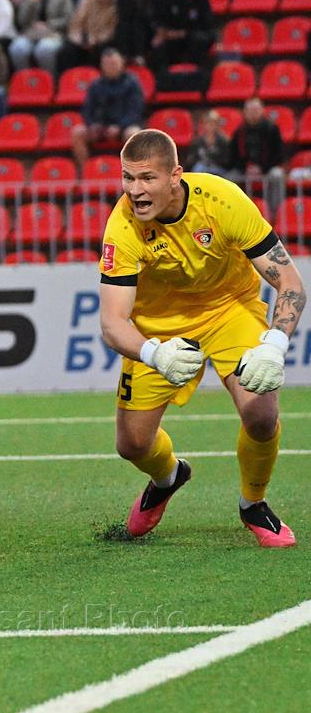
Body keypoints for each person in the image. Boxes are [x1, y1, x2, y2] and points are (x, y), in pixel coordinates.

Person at [98, 129, 304, 548]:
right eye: (128, 178)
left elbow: (290, 282)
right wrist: (154, 353)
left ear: (175, 175)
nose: (135, 191)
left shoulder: (223, 201)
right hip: (159, 327)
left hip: (230, 309)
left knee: (262, 414)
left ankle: (253, 503)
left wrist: (275, 345)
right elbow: (112, 323)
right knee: (132, 445)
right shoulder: (122, 225)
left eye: (147, 178)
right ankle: (168, 477)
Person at [71, 48, 143, 168]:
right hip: (100, 127)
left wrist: (120, 127)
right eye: (107, 64)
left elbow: (135, 110)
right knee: (77, 132)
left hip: (124, 126)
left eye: (114, 63)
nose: (110, 67)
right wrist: (92, 124)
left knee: (134, 134)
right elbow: (87, 109)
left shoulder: (132, 83)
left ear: (122, 63)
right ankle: (86, 170)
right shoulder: (95, 85)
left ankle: (133, 172)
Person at [228, 98, 287, 214]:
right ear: (244, 112)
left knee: (277, 175)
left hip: (268, 169)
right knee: (228, 178)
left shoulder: (272, 129)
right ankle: (234, 213)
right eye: (249, 110)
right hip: (244, 170)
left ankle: (276, 214)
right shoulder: (239, 132)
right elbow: (232, 157)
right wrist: (246, 168)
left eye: (255, 110)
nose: (253, 114)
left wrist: (261, 168)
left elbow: (279, 155)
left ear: (262, 111)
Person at [8, 0, 72, 73]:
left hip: (53, 33)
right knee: (17, 49)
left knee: (44, 50)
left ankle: (49, 79)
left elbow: (68, 19)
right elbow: (21, 20)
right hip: (31, 33)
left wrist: (48, 24)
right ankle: (25, 78)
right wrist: (31, 3)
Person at [185, 109, 232, 177]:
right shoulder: (198, 142)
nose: (210, 126)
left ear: (217, 125)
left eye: (213, 123)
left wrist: (212, 159)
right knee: (198, 167)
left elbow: (227, 161)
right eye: (207, 123)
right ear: (203, 125)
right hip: (202, 169)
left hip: (219, 169)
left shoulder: (224, 141)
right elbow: (192, 160)